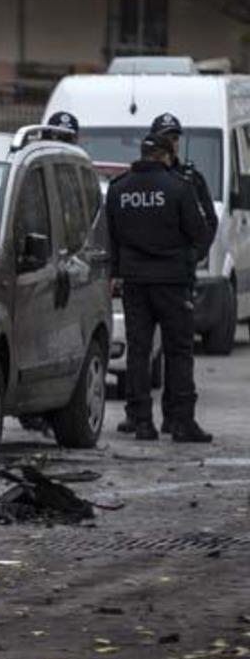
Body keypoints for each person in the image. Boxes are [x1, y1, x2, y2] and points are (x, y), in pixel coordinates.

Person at [106, 133, 213, 443]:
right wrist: (189, 259)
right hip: (173, 283)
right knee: (179, 351)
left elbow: (111, 239)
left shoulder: (118, 189)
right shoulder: (179, 187)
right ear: (166, 156)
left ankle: (141, 421)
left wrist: (117, 272)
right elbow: (198, 232)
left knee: (138, 352)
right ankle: (181, 421)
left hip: (135, 283)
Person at [151, 112, 219, 244]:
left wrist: (196, 253)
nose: (171, 144)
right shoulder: (140, 177)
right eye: (165, 138)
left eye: (175, 138)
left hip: (180, 260)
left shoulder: (192, 179)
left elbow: (209, 219)